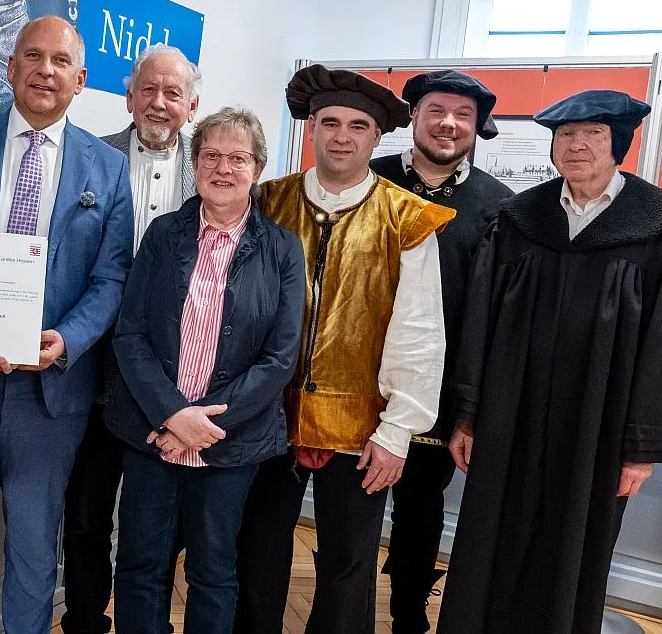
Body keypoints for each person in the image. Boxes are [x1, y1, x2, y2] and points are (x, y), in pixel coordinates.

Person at [0, 16, 133, 634]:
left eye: (60, 61)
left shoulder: (108, 168)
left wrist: (67, 341)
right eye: (32, 57)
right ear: (10, 68)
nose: (45, 71)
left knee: (36, 547)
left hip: (51, 391)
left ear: (80, 80)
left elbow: (111, 278)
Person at [234, 65, 454, 634]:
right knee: (257, 551)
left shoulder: (405, 218)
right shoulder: (266, 201)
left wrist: (398, 429)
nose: (341, 136)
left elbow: (419, 330)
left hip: (361, 425)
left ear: (377, 137)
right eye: (329, 122)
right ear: (310, 128)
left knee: (348, 565)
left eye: (358, 126)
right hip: (266, 415)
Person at [439, 90, 662, 634]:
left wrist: (640, 446)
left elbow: (661, 345)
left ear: (619, 145)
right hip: (509, 413)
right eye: (566, 134)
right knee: (494, 532)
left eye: (594, 134)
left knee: (575, 540)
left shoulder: (654, 226)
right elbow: (479, 322)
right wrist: (467, 414)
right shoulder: (519, 218)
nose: (577, 145)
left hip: (600, 420)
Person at [103, 106, 305, 634]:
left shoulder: (283, 249)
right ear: (194, 165)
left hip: (230, 443)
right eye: (211, 156)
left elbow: (280, 358)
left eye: (237, 158)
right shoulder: (162, 234)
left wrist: (202, 426)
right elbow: (130, 334)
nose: (223, 168)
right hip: (152, 433)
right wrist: (173, 415)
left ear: (257, 169)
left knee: (213, 573)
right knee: (139, 568)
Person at [60, 42, 200, 634]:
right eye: (148, 89)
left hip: (173, 378)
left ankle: (147, 621)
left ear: (192, 106)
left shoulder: (213, 171)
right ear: (128, 97)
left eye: (173, 93)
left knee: (162, 520)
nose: (159, 103)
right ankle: (85, 619)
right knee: (87, 510)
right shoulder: (91, 158)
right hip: (93, 368)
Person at [369, 70, 512, 633]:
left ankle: (409, 618)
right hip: (357, 381)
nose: (448, 123)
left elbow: (493, 318)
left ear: (478, 126)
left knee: (421, 511)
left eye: (462, 114)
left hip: (441, 393)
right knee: (348, 506)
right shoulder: (370, 181)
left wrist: (470, 410)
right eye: (436, 110)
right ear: (414, 116)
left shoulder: (499, 208)